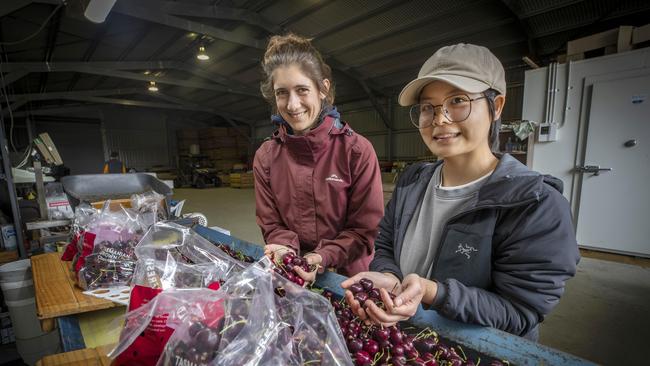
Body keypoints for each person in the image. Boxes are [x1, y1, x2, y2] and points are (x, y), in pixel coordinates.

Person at [341, 43, 579, 341]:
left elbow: (520, 312)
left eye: (458, 100)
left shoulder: (536, 203)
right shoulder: (412, 181)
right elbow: (386, 243)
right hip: (407, 342)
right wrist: (389, 277)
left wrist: (433, 293)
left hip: (475, 354)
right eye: (428, 107)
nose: (440, 119)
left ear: (497, 106)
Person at [254, 33, 384, 282]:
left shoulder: (356, 151)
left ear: (323, 88)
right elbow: (271, 225)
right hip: (294, 276)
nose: (292, 105)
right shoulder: (266, 157)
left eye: (302, 90)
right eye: (282, 93)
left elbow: (364, 232)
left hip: (349, 281)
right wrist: (287, 252)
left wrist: (321, 258)